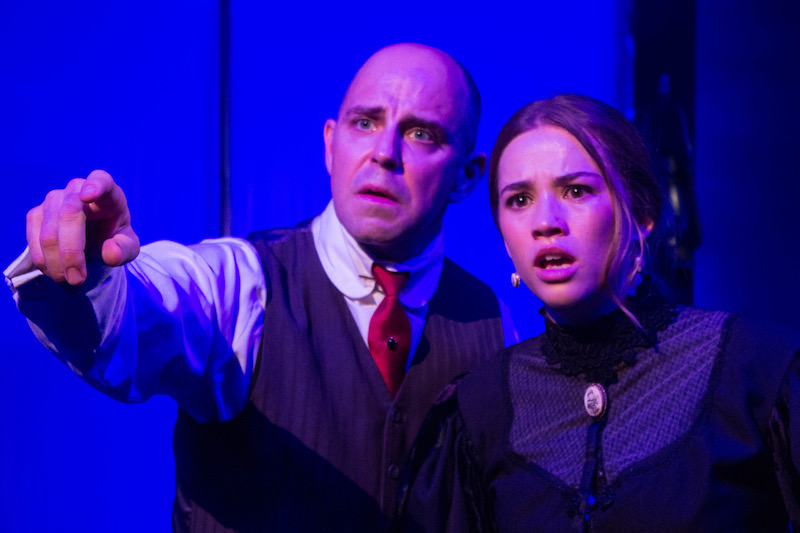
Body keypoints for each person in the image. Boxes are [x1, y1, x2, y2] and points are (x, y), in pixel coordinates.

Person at [4, 43, 512, 532]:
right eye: (365, 122)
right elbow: (142, 309)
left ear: (468, 177)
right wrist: (90, 271)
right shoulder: (244, 283)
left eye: (421, 134)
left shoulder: (494, 325)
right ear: (331, 145)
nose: (384, 152)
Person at [394, 94, 800, 532]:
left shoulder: (756, 368)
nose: (545, 222)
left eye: (576, 190)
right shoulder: (478, 407)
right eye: (519, 200)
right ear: (505, 240)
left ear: (641, 214)